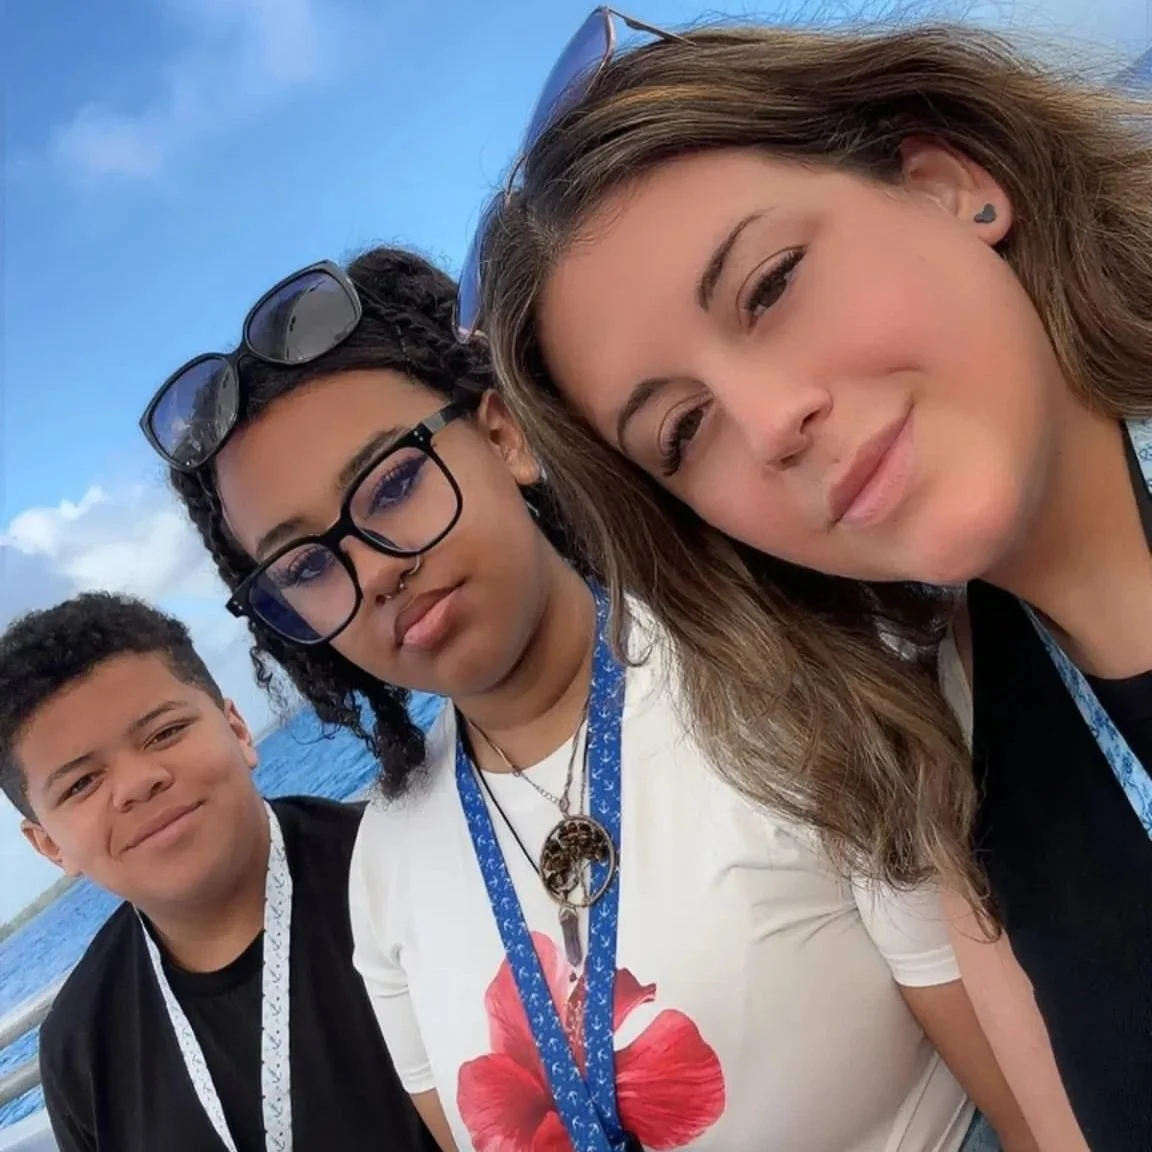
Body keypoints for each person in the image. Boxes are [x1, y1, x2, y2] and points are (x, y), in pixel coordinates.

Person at [142, 244, 1032, 1152]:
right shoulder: (386, 866)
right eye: (303, 566)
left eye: (396, 483)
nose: (370, 570)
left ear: (504, 435)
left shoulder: (775, 675)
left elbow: (1025, 1098)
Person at [469, 10, 1152, 1151]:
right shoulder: (946, 762)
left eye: (772, 284)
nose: (772, 421)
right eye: (684, 433)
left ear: (949, 183)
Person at [0, 592, 437, 1152]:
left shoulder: (404, 867)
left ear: (237, 729)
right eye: (81, 784)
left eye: (164, 733)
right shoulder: (80, 1046)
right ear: (49, 847)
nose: (137, 783)